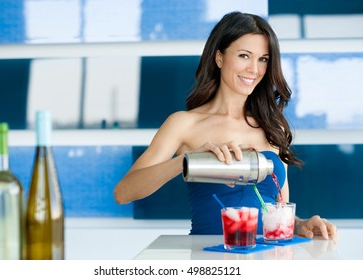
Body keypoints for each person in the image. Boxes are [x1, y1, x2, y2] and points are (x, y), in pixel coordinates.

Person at [114, 11, 338, 242]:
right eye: (244, 56)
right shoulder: (184, 124)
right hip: (209, 261)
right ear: (219, 58)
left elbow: (277, 210)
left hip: (269, 261)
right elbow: (123, 193)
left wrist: (301, 225)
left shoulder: (273, 128)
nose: (254, 69)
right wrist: (186, 161)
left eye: (263, 59)